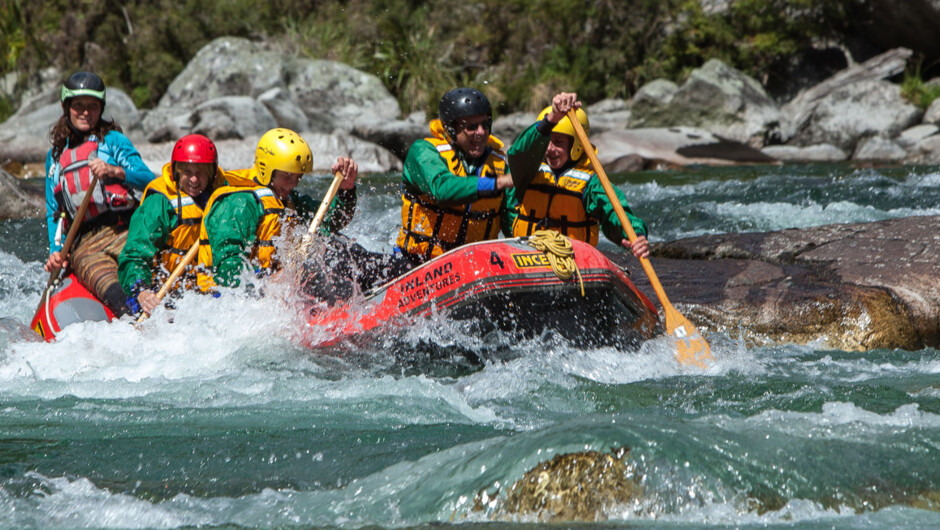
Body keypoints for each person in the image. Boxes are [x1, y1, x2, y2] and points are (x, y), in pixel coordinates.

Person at [42, 71, 155, 316]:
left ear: (100, 109)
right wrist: (56, 251)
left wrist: (116, 172)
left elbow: (151, 181)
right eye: (78, 106)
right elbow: (54, 212)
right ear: (66, 107)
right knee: (111, 289)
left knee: (137, 273)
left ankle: (149, 300)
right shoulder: (54, 157)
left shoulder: (114, 141)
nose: (85, 112)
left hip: (124, 229)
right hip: (86, 245)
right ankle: (131, 315)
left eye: (92, 106)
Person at [196, 128, 359, 291]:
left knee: (336, 246)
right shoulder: (237, 204)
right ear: (267, 170)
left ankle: (374, 280)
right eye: (287, 176)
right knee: (310, 269)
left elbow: (332, 221)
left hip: (273, 289)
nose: (293, 183)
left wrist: (346, 189)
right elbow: (228, 272)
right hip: (228, 298)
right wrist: (268, 284)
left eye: (298, 176)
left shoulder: (286, 200)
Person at [506, 92, 650, 259]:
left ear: (576, 145)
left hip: (571, 259)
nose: (550, 149)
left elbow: (614, 211)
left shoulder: (591, 183)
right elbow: (517, 153)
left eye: (558, 142)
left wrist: (635, 234)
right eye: (548, 141)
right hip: (525, 254)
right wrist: (551, 118)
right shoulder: (528, 169)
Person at [395, 87, 514, 264]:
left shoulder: (500, 166)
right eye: (471, 126)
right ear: (451, 129)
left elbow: (512, 225)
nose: (481, 132)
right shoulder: (423, 152)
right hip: (417, 262)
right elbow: (441, 190)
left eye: (485, 125)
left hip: (475, 266)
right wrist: (491, 184)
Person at [118, 134, 225, 315]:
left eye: (200, 172)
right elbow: (134, 254)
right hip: (163, 292)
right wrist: (142, 292)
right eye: (188, 172)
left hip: (204, 295)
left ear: (211, 173)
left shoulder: (223, 197)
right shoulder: (159, 203)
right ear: (177, 171)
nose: (194, 180)